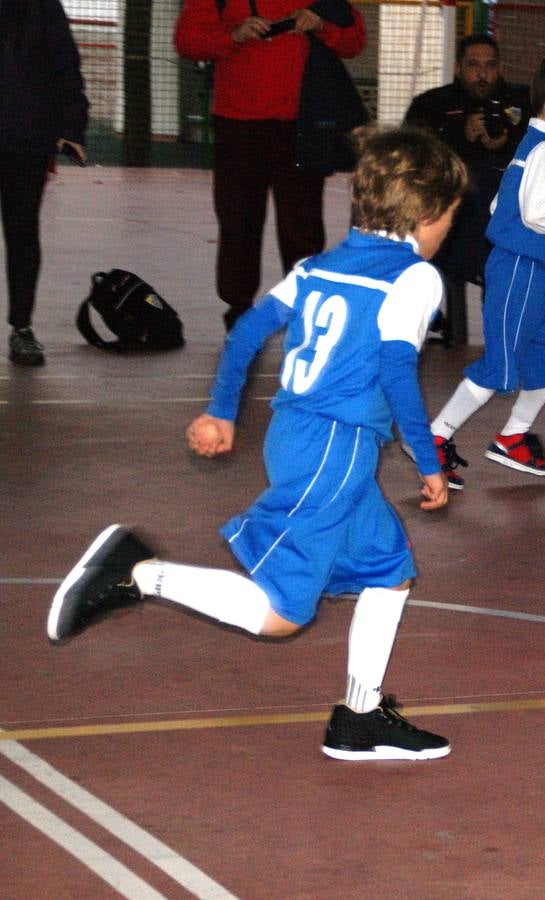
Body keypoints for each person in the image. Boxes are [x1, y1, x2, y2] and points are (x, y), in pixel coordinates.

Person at [46, 127, 468, 761]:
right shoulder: (414, 279)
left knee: (389, 571)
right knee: (281, 614)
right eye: (451, 218)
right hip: (336, 450)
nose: (448, 231)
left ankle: (360, 716)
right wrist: (428, 460)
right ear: (428, 214)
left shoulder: (316, 266)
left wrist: (223, 413)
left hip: (297, 437)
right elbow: (394, 373)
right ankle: (137, 572)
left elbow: (246, 334)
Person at [427, 56, 545, 488]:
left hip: (535, 273)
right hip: (519, 271)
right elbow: (536, 214)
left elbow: (501, 203)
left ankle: (512, 436)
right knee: (499, 366)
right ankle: (434, 438)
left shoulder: (537, 145)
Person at [175, 0, 367, 331]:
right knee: (238, 220)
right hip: (237, 123)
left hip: (302, 123)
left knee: (302, 225)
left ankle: (305, 308)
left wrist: (322, 27)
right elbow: (187, 41)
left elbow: (354, 42)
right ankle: (239, 311)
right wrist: (234, 36)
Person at [403, 34, 529, 340]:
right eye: (473, 65)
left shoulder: (522, 101)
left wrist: (505, 142)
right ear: (458, 68)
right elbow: (413, 153)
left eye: (490, 66)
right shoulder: (431, 104)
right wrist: (461, 135)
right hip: (453, 207)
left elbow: (541, 147)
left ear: (500, 68)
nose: (482, 74)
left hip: (508, 205)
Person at [1, 0, 88, 367]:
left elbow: (65, 62)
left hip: (26, 138)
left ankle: (22, 328)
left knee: (22, 232)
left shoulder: (41, 7)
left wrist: (72, 127)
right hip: (27, 132)